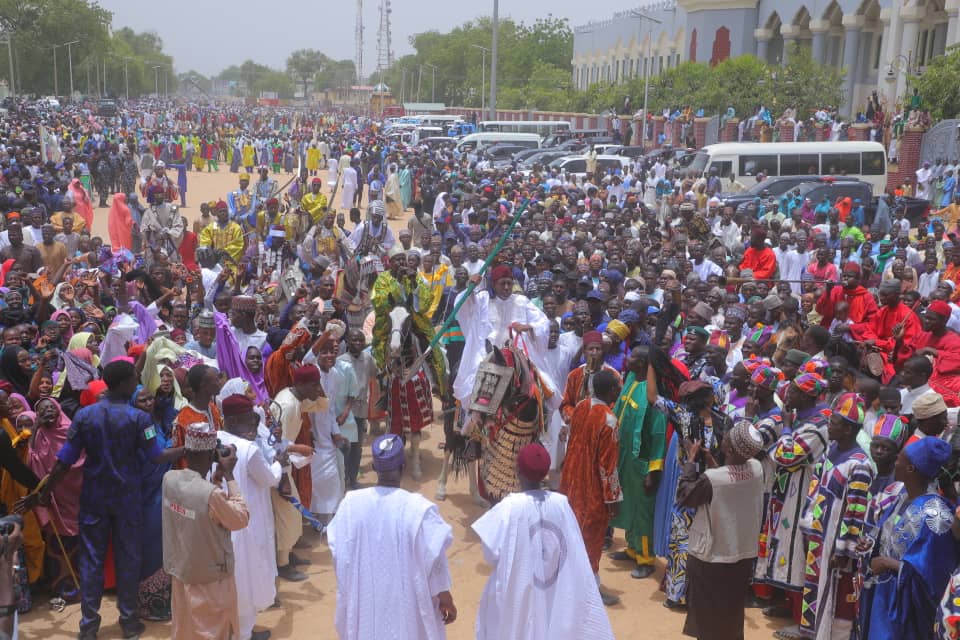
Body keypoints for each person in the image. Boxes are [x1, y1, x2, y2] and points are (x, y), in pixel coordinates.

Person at [18, 360, 184, 639]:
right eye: (133, 378)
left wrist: (43, 493)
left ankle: (89, 626)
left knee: (91, 560)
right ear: (122, 384)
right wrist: (185, 448)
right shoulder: (140, 419)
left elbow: (64, 462)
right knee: (128, 559)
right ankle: (129, 623)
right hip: (127, 499)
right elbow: (157, 455)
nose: (137, 382)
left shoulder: (85, 416)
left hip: (94, 498)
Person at [472, 443, 614, 640]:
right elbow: (573, 546)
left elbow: (490, 554)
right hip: (555, 587)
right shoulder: (561, 504)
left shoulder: (509, 508)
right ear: (546, 472)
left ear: (518, 471)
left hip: (519, 591)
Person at [327, 433, 457, 640]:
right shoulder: (418, 509)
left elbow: (339, 554)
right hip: (407, 603)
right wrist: (445, 597)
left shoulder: (351, 505)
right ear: (403, 466)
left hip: (367, 600)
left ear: (376, 469)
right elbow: (434, 559)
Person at [161, 421, 251, 640]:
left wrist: (217, 476)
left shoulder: (169, 479)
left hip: (182, 574)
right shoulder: (211, 495)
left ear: (188, 450)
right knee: (213, 631)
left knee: (185, 629)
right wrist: (229, 475)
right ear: (212, 453)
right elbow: (240, 518)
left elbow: (202, 507)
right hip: (211, 580)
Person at [861, 437, 957, 639]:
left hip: (905, 610)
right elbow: (884, 535)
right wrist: (869, 545)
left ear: (911, 468)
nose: (895, 461)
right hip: (884, 597)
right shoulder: (902, 497)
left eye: (900, 459)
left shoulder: (935, 515)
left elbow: (934, 574)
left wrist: (889, 563)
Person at [677, 420, 765, 640]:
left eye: (727, 437)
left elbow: (685, 495)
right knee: (730, 615)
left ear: (730, 449)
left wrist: (690, 459)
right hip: (741, 557)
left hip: (711, 559)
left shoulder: (713, 480)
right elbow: (731, 482)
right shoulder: (756, 468)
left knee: (707, 620)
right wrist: (711, 461)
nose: (723, 437)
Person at [798, 392, 875, 640]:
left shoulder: (860, 465)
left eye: (835, 422)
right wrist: (807, 524)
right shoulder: (831, 449)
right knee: (814, 592)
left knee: (835, 601)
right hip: (819, 537)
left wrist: (843, 551)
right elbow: (816, 488)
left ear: (849, 429)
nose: (829, 425)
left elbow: (856, 511)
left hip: (835, 546)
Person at [216, 393, 281, 640]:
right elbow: (269, 479)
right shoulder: (248, 449)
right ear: (234, 421)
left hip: (221, 517)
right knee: (246, 578)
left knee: (229, 580)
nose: (253, 425)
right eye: (248, 420)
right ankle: (243, 634)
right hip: (247, 523)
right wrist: (280, 463)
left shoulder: (216, 439)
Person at [560, 369, 623, 606]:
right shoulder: (608, 420)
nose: (619, 389)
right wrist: (613, 498)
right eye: (617, 387)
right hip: (592, 490)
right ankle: (590, 587)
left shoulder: (581, 407)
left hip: (570, 481)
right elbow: (608, 467)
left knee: (570, 531)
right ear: (610, 391)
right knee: (592, 538)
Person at [609, 345, 666, 579]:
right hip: (625, 458)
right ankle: (632, 549)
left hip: (643, 462)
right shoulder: (631, 378)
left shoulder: (653, 394)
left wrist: (653, 471)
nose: (627, 358)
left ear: (643, 363)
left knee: (642, 511)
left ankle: (646, 558)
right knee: (629, 504)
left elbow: (658, 434)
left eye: (632, 356)